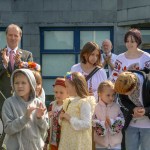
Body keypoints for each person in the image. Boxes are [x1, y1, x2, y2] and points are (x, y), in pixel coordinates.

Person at [1, 69, 48, 150]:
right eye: (16, 83)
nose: (19, 86)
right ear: (13, 84)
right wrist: (25, 117)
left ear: (31, 84)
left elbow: (45, 128)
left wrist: (40, 118)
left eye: (23, 83)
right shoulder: (9, 103)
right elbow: (8, 129)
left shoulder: (38, 103)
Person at [58, 72, 96, 150]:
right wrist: (61, 118)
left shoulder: (84, 102)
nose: (66, 88)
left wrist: (70, 118)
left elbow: (86, 124)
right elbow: (64, 122)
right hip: (67, 143)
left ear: (75, 86)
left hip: (79, 144)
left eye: (67, 86)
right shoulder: (69, 101)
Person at [114, 71, 150, 150]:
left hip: (148, 125)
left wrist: (146, 110)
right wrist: (132, 108)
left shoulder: (148, 83)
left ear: (135, 86)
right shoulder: (123, 83)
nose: (125, 95)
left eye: (127, 92)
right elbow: (122, 100)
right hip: (130, 123)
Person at [0, 24, 33, 99]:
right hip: (2, 100)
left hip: (21, 99)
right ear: (6, 36)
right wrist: (4, 64)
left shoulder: (27, 55)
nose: (13, 38)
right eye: (10, 35)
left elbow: (31, 77)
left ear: (20, 37)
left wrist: (20, 64)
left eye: (16, 36)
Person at [92, 80, 124, 150]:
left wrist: (112, 122)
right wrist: (103, 124)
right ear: (100, 94)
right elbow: (92, 122)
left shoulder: (117, 107)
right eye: (108, 95)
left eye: (113, 95)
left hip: (115, 144)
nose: (111, 98)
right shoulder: (95, 107)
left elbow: (122, 120)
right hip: (101, 144)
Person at [44, 78, 69, 150]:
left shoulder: (68, 106)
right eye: (56, 92)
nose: (58, 95)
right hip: (52, 141)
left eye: (61, 93)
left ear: (68, 93)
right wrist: (47, 116)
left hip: (64, 142)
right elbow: (48, 126)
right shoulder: (52, 105)